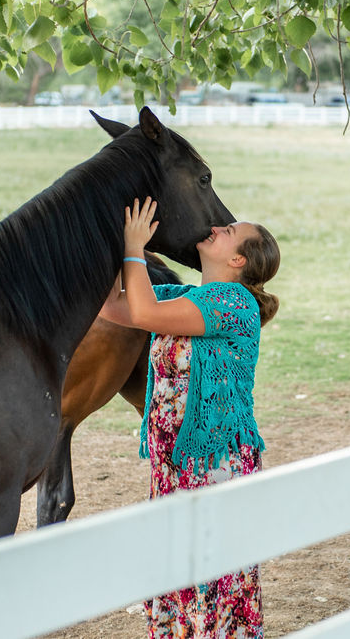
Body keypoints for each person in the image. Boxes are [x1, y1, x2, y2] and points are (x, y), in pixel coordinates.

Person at [99, 197, 280, 639]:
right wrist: (108, 237)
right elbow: (117, 307)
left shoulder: (234, 302)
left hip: (213, 463)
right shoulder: (187, 296)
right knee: (177, 565)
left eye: (230, 231)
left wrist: (135, 247)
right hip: (175, 464)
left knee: (207, 571)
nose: (218, 227)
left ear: (238, 259)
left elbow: (142, 312)